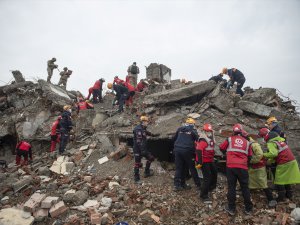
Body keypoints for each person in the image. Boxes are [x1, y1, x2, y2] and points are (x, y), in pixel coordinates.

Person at [259, 128, 300, 202]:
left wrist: (263, 155)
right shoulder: (279, 140)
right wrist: (270, 160)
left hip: (284, 162)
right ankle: (289, 195)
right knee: (286, 179)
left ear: (265, 136)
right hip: (292, 161)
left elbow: (273, 153)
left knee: (279, 180)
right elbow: (277, 154)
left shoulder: (270, 143)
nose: (262, 139)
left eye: (262, 137)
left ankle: (281, 198)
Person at [219, 124, 253, 215]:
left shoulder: (229, 139)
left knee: (231, 187)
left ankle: (231, 208)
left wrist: (227, 154)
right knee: (245, 188)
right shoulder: (247, 142)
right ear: (241, 131)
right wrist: (246, 163)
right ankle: (248, 209)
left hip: (231, 167)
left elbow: (221, 147)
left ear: (233, 131)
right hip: (243, 167)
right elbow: (250, 156)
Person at [241, 130, 277, 207]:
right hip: (253, 167)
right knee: (250, 182)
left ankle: (271, 199)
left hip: (259, 166)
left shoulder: (254, 144)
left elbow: (259, 154)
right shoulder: (248, 144)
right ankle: (247, 198)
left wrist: (251, 161)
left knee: (263, 183)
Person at [173, 118, 201, 191]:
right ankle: (198, 185)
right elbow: (198, 140)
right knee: (192, 168)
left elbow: (174, 138)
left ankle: (178, 185)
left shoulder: (179, 129)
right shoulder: (193, 131)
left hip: (177, 150)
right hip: (187, 151)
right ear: (193, 124)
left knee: (179, 168)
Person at [195, 123, 217, 203]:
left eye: (210, 131)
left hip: (210, 159)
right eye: (207, 131)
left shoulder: (211, 137)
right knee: (207, 178)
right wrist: (200, 162)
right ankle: (203, 195)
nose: (209, 133)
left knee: (214, 173)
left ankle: (211, 187)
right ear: (204, 131)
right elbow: (199, 149)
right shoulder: (203, 139)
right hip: (204, 161)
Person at [133, 116, 158, 184]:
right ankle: (136, 179)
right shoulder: (138, 129)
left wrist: (153, 135)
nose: (147, 123)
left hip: (143, 149)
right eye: (147, 122)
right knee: (137, 163)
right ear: (143, 122)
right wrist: (142, 150)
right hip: (138, 150)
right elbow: (139, 141)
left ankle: (147, 172)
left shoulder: (142, 128)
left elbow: (146, 132)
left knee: (151, 158)